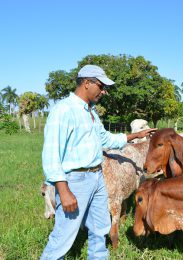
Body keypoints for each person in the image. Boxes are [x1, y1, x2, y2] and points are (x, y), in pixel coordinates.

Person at [40, 65, 156, 259]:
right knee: (64, 236)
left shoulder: (90, 112)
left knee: (99, 229)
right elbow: (51, 154)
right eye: (101, 86)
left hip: (96, 176)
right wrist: (63, 189)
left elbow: (106, 139)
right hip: (75, 181)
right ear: (87, 83)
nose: (104, 91)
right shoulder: (63, 111)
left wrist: (137, 135)